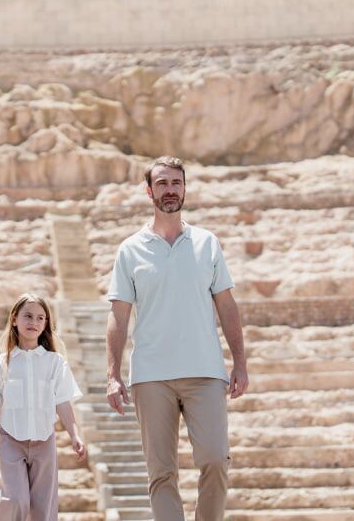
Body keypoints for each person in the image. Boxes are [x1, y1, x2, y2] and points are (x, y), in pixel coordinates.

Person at [105, 156, 247, 521]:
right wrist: (112, 375)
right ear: (149, 190)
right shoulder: (130, 249)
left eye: (177, 183)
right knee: (161, 473)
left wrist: (240, 363)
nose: (170, 190)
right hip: (151, 376)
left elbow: (227, 307)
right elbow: (118, 317)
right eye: (163, 183)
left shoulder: (207, 243)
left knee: (215, 459)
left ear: (185, 188)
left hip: (206, 371)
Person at [0, 293, 87, 521]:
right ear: (15, 319)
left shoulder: (55, 363)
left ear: (46, 324)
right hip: (11, 442)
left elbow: (63, 403)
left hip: (44, 443)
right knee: (16, 501)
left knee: (43, 510)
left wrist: (75, 435)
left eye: (40, 318)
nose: (34, 322)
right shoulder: (1, 364)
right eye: (27, 316)